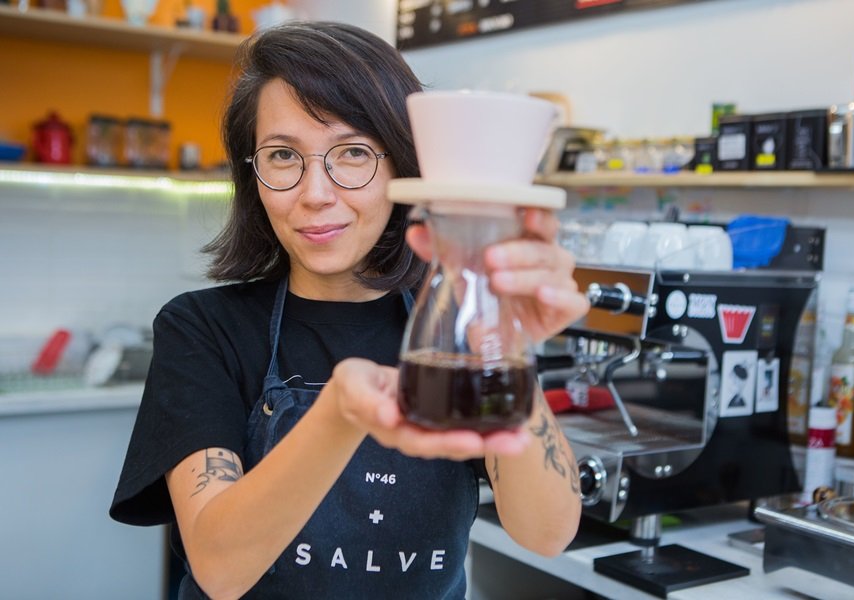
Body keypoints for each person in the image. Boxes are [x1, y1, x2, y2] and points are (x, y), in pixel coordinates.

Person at [110, 20, 589, 600]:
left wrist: (503, 338)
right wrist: (339, 413)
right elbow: (219, 567)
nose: (316, 192)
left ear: (403, 167)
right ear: (252, 174)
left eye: (354, 152)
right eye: (283, 155)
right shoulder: (203, 329)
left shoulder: (451, 328)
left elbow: (545, 532)